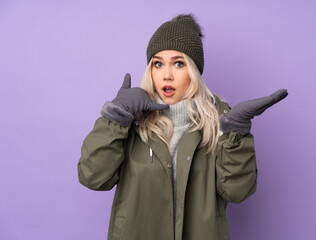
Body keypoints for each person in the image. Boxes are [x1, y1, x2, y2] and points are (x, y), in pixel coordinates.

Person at [77, 14, 288, 240]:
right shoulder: (131, 116)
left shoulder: (220, 120)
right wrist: (116, 117)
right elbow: (92, 177)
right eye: (158, 64)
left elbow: (238, 191)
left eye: (178, 63)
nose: (167, 75)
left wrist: (236, 134)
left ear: (194, 69)